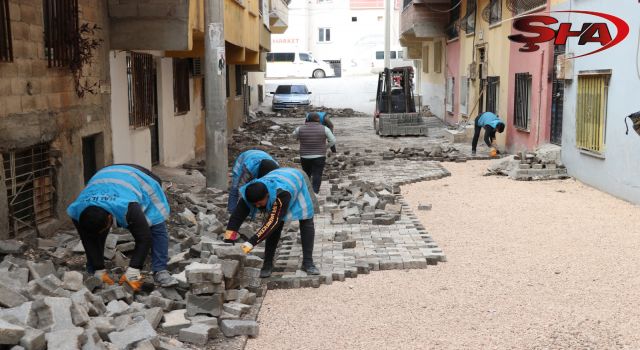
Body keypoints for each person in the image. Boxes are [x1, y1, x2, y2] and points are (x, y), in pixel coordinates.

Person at [67, 164, 178, 291]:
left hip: (141, 178)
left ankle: (160, 270)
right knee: (94, 233)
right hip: (105, 175)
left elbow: (144, 237)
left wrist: (133, 269)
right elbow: (87, 239)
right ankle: (96, 270)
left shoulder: (128, 208)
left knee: (155, 225)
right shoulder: (77, 211)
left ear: (110, 218)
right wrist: (99, 270)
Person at [224, 167, 320, 278]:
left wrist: (249, 244)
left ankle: (308, 262)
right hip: (279, 176)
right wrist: (228, 241)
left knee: (306, 220)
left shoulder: (281, 194)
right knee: (275, 227)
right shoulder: (249, 194)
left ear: (267, 195)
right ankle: (267, 264)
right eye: (254, 205)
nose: (257, 207)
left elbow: (272, 222)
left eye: (259, 204)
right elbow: (236, 217)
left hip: (297, 181)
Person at [294, 112, 336, 194]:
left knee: (306, 174)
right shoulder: (325, 129)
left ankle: (306, 191)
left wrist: (300, 137)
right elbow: (333, 140)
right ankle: (315, 192)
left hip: (304, 155)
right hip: (319, 156)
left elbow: (293, 135)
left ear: (307, 119)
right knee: (317, 174)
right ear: (319, 120)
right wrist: (325, 147)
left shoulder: (299, 128)